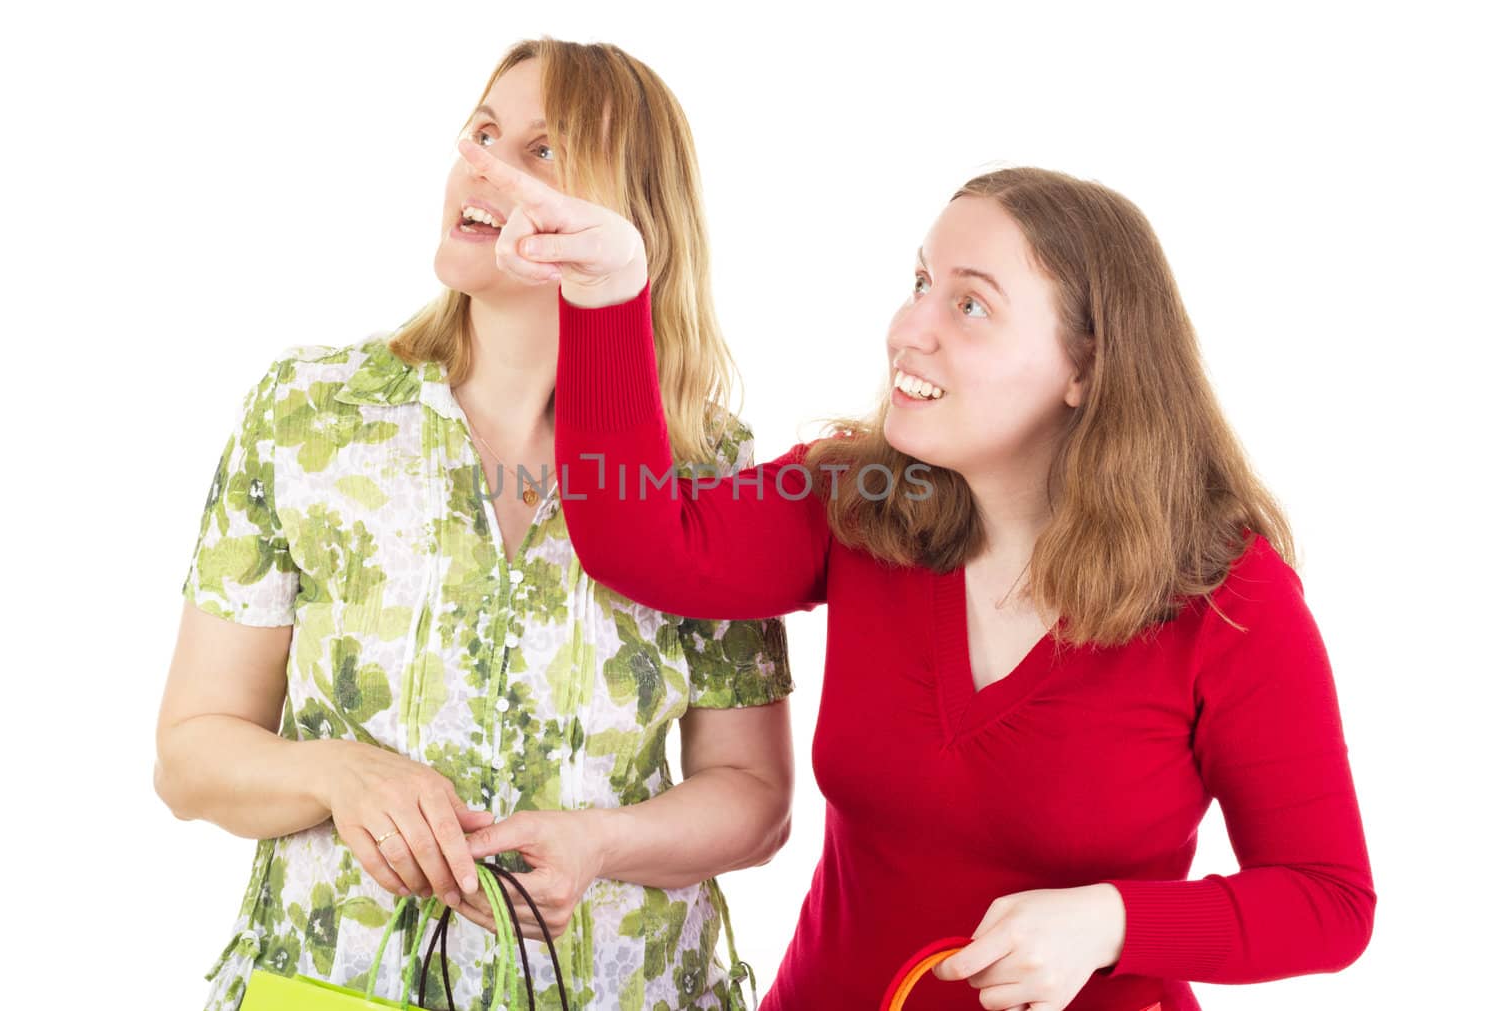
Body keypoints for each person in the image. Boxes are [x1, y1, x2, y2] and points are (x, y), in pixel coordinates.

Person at [455, 139, 1376, 1011]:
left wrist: (1112, 922)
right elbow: (640, 543)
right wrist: (613, 289)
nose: (908, 328)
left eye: (968, 304)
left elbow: (1330, 901)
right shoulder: (860, 500)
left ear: (1086, 368)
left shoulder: (1226, 597)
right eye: (920, 283)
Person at [154, 38, 794, 1011]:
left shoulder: (705, 462)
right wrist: (338, 770)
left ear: (631, 212)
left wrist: (602, 842)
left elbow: (752, 797)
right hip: (334, 982)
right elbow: (191, 754)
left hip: (622, 988)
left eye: (544, 150)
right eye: (484, 131)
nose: (482, 165)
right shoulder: (309, 411)